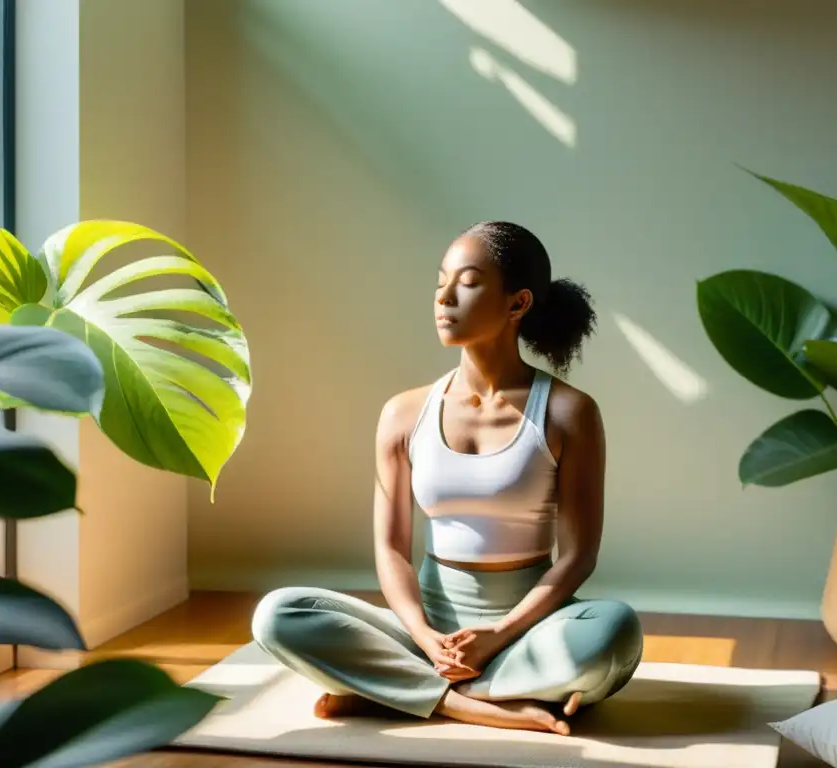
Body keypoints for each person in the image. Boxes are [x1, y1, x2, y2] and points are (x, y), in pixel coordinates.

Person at [252, 221, 643, 736]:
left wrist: (498, 634)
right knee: (277, 615)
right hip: (424, 632)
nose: (444, 296)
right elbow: (391, 549)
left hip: (528, 630)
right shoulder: (403, 413)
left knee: (614, 633)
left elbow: (577, 556)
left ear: (517, 303)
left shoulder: (570, 413)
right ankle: (472, 703)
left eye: (468, 281)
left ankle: (392, 690)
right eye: (441, 281)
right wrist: (423, 633)